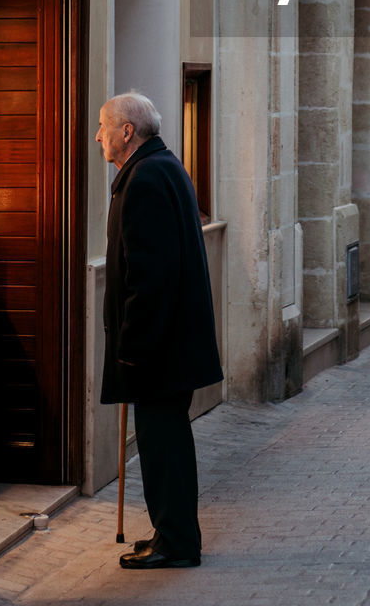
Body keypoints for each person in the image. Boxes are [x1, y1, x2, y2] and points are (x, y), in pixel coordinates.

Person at [97, 91, 223, 570]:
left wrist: (132, 350)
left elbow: (149, 278)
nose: (99, 136)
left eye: (104, 126)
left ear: (127, 131)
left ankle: (176, 544)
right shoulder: (161, 166)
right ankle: (172, 534)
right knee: (165, 443)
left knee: (163, 447)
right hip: (171, 347)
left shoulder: (146, 177)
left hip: (157, 351)